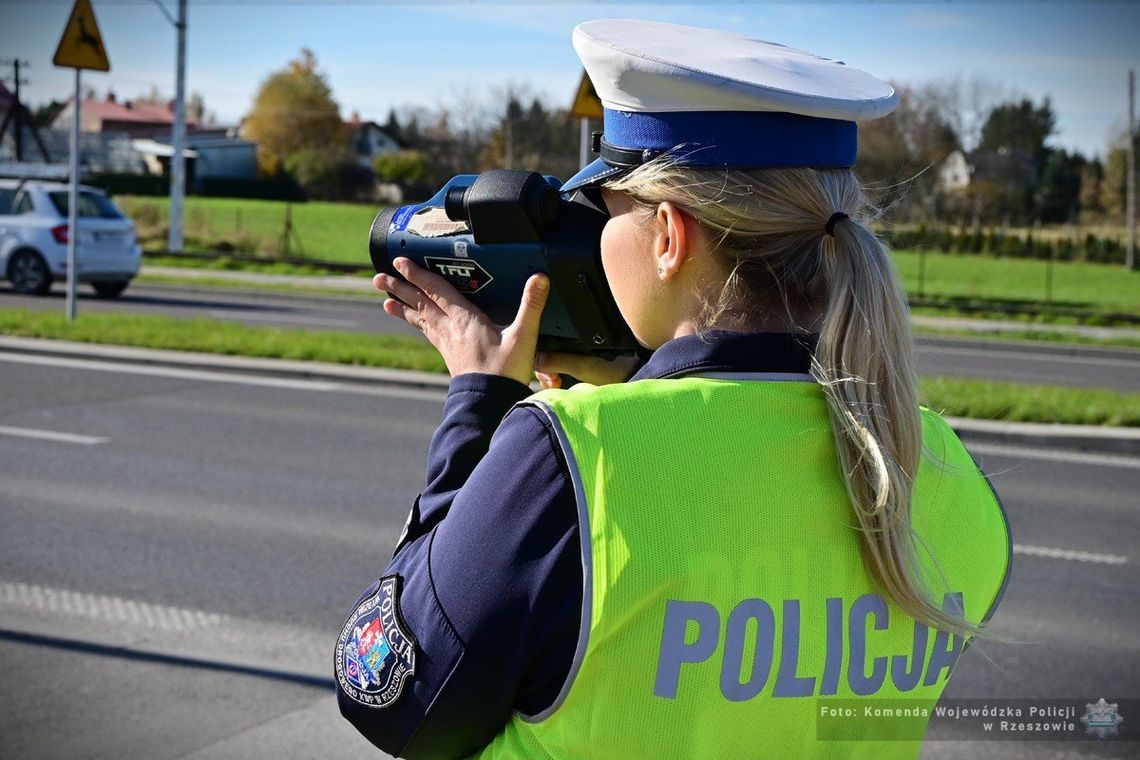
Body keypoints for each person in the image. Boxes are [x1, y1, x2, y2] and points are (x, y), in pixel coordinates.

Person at [335, 19, 1012, 760]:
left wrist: (479, 402)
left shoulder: (574, 458)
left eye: (605, 209)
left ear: (667, 235)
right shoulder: (942, 467)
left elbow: (392, 695)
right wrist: (639, 383)